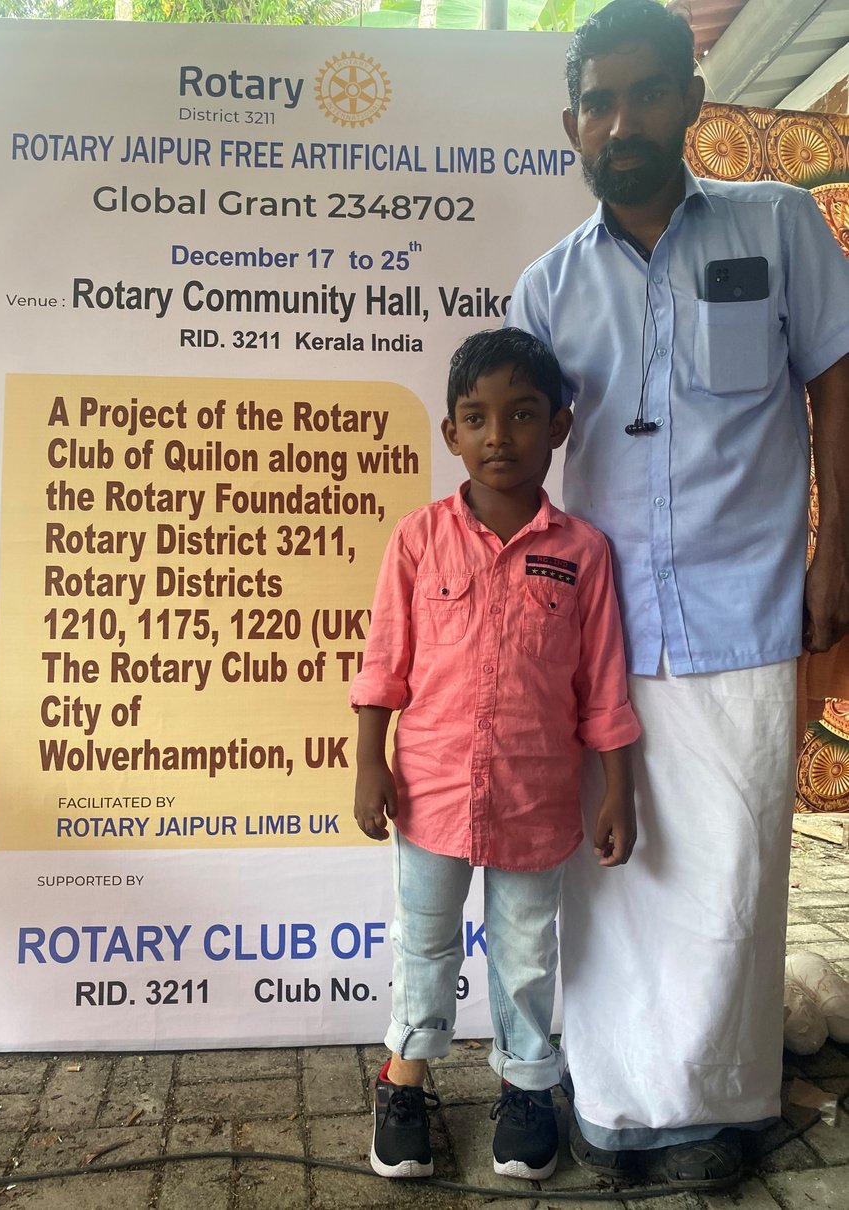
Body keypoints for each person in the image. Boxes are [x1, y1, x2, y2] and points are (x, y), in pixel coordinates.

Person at [506, 0, 849, 1190]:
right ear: (570, 126)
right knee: (613, 880)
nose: (622, 120)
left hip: (745, 605)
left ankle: (717, 1108)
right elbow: (513, 466)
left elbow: (833, 388)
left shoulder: (780, 226)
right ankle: (612, 1104)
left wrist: (836, 550)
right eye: (597, 102)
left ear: (691, 100)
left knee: (734, 870)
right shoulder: (544, 288)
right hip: (597, 633)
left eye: (645, 92)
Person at [349, 327, 641, 1181]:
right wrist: (372, 760)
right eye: (476, 418)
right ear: (450, 434)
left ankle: (525, 1087)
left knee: (525, 952)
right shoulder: (418, 539)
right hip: (431, 792)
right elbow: (384, 661)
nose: (498, 437)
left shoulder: (582, 555)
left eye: (521, 416)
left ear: (559, 426)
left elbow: (605, 688)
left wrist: (616, 793)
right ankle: (405, 1080)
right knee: (426, 944)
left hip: (538, 798)